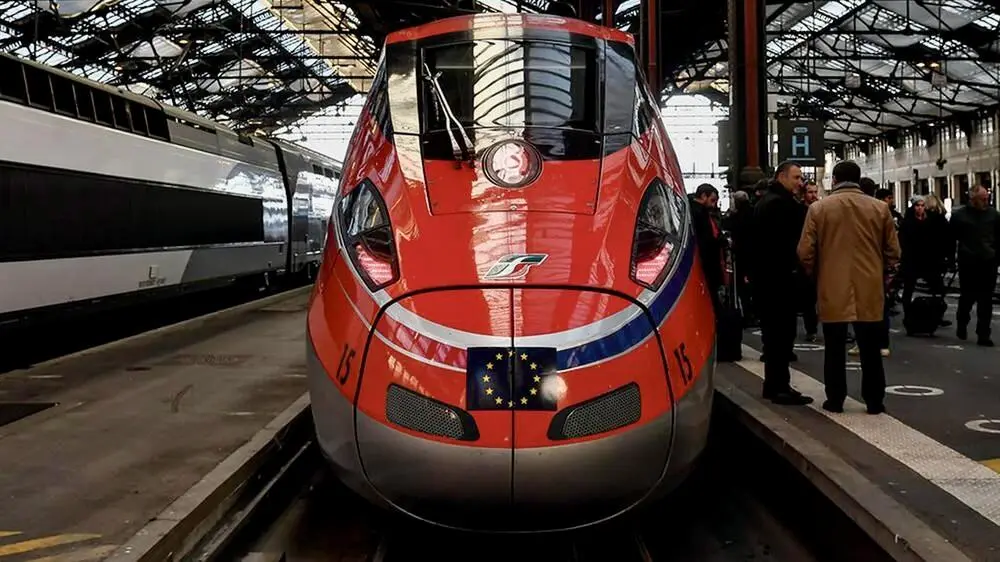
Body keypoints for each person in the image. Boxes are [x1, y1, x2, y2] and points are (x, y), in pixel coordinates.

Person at [797, 160, 900, 415]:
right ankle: (874, 401)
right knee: (870, 349)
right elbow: (894, 251)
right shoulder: (879, 208)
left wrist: (816, 272)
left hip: (832, 286)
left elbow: (805, 251)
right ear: (858, 179)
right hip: (870, 286)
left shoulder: (819, 209)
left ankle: (835, 399)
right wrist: (881, 269)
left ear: (834, 180)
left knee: (834, 348)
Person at [751, 161, 812, 405]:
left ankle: (775, 385)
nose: (800, 182)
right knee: (781, 336)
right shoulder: (780, 205)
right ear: (781, 177)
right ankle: (779, 387)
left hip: (768, 280)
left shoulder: (767, 201)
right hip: (779, 281)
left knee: (775, 336)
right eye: (796, 177)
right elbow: (786, 244)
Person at [949, 184, 999, 346]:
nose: (986, 202)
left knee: (986, 299)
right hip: (968, 262)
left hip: (988, 261)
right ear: (972, 200)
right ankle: (962, 321)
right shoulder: (960, 216)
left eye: (987, 198)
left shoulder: (993, 215)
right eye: (982, 199)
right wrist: (950, 260)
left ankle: (983, 333)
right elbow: (950, 240)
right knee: (967, 297)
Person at [898, 195, 951, 316]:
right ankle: (908, 315)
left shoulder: (930, 220)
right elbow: (903, 241)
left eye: (922, 205)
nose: (920, 208)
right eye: (917, 205)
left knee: (937, 288)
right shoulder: (908, 222)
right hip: (912, 259)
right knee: (908, 288)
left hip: (928, 259)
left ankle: (936, 313)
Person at [689, 184, 725, 309]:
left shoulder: (694, 210)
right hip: (707, 263)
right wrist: (719, 241)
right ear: (704, 196)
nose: (714, 205)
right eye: (712, 200)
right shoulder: (700, 213)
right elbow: (707, 240)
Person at [798, 181, 820, 342]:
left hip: (821, 257)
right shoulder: (800, 211)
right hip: (806, 259)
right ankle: (811, 329)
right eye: (810, 192)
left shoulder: (820, 209)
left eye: (815, 192)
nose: (813, 195)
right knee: (808, 298)